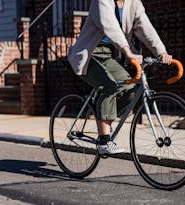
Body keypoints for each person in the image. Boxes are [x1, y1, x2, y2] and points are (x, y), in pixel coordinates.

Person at [68, 0, 172, 155]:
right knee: (109, 85)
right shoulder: (101, 1)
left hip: (110, 56)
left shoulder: (134, 3)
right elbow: (111, 26)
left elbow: (146, 28)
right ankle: (104, 141)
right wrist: (128, 52)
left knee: (130, 87)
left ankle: (103, 119)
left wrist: (161, 52)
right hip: (90, 54)